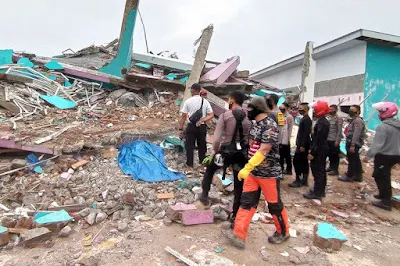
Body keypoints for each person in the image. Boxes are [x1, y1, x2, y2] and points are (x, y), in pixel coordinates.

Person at [223, 97, 290, 248]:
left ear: (257, 109)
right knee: (246, 202)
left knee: (274, 205)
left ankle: (283, 232)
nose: (247, 112)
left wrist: (248, 166)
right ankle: (239, 235)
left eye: (250, 109)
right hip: (253, 173)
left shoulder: (270, 125)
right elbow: (252, 146)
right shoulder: (256, 125)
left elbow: (264, 149)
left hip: (268, 174)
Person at [198, 91, 252, 227]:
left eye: (229, 99)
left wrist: (214, 151)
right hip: (241, 154)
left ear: (232, 100)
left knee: (210, 169)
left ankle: (204, 195)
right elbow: (250, 139)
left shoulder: (225, 116)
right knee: (239, 183)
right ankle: (235, 215)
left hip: (225, 152)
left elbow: (216, 139)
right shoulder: (248, 118)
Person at [364, 102, 400, 211]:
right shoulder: (397, 124)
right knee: (383, 175)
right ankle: (383, 195)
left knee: (381, 177)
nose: (379, 114)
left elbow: (377, 144)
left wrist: (368, 155)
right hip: (396, 154)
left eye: (380, 111)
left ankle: (386, 202)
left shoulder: (383, 127)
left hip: (385, 155)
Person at [178, 83, 214, 175]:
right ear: (200, 91)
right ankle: (202, 167)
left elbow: (183, 116)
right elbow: (211, 114)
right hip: (202, 127)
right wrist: (203, 119)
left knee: (189, 146)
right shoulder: (205, 101)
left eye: (191, 90)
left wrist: (180, 129)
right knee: (202, 146)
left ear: (193, 90)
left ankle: (190, 167)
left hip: (191, 126)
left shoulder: (188, 101)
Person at [303, 101, 330, 200]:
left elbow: (319, 140)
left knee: (318, 171)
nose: (313, 112)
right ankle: (319, 190)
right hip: (320, 149)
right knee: (320, 171)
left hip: (319, 150)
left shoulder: (322, 123)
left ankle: (317, 192)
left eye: (315, 110)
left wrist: (312, 152)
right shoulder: (321, 121)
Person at [339, 105, 365, 182]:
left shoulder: (357, 121)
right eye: (350, 109)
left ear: (358, 112)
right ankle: (358, 176)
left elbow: (356, 134)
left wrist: (353, 145)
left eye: (353, 110)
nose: (350, 111)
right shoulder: (354, 120)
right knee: (356, 159)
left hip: (353, 143)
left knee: (352, 159)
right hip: (351, 142)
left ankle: (350, 176)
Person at [290, 103, 312, 188]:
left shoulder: (306, 120)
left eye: (301, 108)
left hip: (303, 145)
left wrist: (302, 145)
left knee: (297, 161)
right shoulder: (304, 118)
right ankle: (304, 180)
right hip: (302, 144)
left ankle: (298, 179)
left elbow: (306, 133)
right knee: (303, 162)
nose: (299, 110)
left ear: (306, 109)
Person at [326, 105, 343, 176]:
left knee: (335, 155)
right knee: (330, 154)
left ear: (335, 110)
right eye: (329, 109)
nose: (330, 110)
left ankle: (335, 169)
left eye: (331, 109)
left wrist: (337, 140)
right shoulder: (329, 118)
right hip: (328, 139)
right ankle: (331, 167)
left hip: (334, 139)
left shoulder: (338, 119)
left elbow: (339, 131)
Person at [279, 102, 294, 175]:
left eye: (283, 108)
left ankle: (289, 169)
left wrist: (288, 139)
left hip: (286, 139)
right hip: (281, 139)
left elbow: (289, 129)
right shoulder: (280, 115)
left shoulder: (289, 117)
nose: (281, 109)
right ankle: (282, 169)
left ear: (286, 108)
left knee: (287, 155)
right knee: (281, 155)